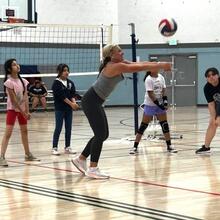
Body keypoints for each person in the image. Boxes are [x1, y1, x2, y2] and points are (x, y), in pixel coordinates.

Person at [71, 44, 172, 179]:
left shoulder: (118, 63)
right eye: (119, 51)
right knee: (100, 135)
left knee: (103, 134)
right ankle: (93, 168)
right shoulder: (114, 66)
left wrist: (157, 64)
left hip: (95, 101)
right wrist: (160, 64)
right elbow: (138, 68)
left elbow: (139, 63)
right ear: (112, 55)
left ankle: (81, 159)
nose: (122, 53)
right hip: (91, 101)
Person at [0, 58, 40, 167]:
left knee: (25, 131)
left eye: (16, 64)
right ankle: (1, 156)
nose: (17, 66)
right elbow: (13, 101)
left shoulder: (23, 81)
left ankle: (28, 154)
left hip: (22, 110)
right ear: (9, 69)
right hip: (13, 110)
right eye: (14, 65)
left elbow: (26, 97)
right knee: (8, 133)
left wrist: (27, 111)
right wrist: (23, 112)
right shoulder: (9, 82)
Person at [129, 70, 178, 155]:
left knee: (164, 125)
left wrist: (165, 102)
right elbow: (151, 94)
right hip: (150, 105)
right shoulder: (148, 79)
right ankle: (135, 147)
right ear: (150, 70)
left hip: (159, 105)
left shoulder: (161, 77)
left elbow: (163, 90)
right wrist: (160, 105)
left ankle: (169, 146)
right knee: (143, 126)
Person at [51, 63, 79, 156]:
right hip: (60, 109)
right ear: (59, 72)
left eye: (67, 70)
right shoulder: (56, 83)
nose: (66, 72)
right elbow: (62, 97)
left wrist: (74, 103)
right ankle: (54, 147)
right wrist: (72, 104)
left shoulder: (70, 83)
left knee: (68, 128)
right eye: (64, 70)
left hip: (68, 109)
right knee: (58, 128)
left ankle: (67, 147)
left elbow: (72, 95)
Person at [195, 67, 220, 154]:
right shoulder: (207, 88)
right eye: (208, 76)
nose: (211, 77)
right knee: (212, 123)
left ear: (218, 75)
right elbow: (211, 104)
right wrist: (213, 117)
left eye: (213, 74)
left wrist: (218, 116)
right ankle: (206, 147)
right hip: (218, 105)